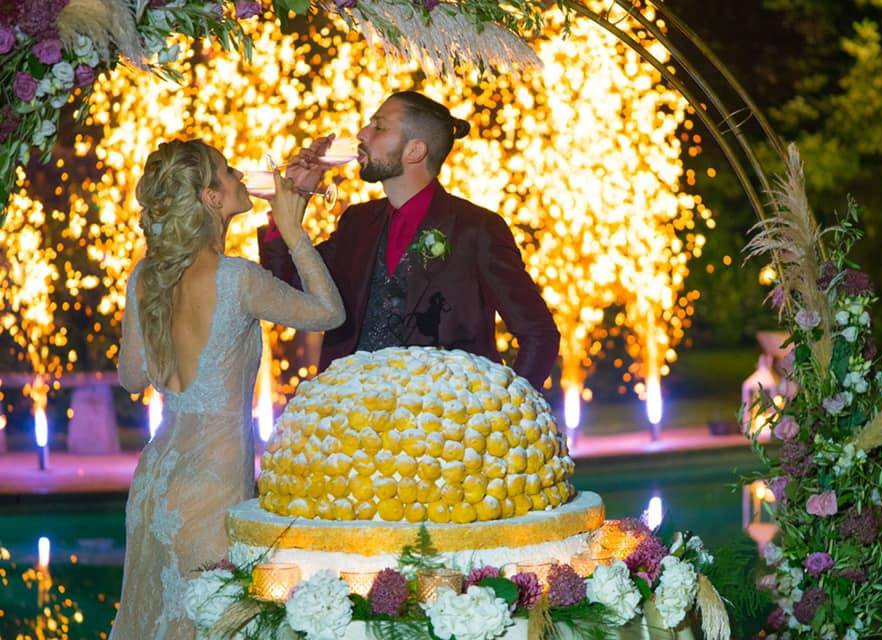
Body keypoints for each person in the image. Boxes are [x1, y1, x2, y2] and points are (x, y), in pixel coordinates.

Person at [111, 139, 345, 638]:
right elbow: (330, 312)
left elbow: (131, 378)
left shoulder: (145, 277)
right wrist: (293, 229)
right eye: (230, 172)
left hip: (155, 483)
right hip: (213, 487)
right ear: (211, 198)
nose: (242, 177)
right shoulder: (237, 278)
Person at [258, 91, 560, 388]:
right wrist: (290, 201)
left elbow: (539, 334)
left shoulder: (477, 228)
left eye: (378, 126)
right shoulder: (357, 222)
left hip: (441, 426)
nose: (362, 134)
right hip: (352, 423)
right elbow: (287, 293)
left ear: (414, 151)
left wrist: (504, 410)